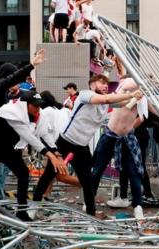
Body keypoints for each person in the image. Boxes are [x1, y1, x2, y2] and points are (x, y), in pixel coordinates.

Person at [0, 49, 65, 234]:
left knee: (23, 173)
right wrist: (32, 65)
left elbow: (41, 134)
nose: (15, 85)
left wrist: (54, 151)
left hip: (6, 145)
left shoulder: (14, 101)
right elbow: (29, 136)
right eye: (14, 81)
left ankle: (21, 211)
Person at [33, 74, 142, 217]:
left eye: (106, 84)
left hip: (82, 147)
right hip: (65, 142)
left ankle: (91, 215)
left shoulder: (105, 103)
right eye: (101, 82)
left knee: (88, 182)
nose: (105, 85)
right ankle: (33, 207)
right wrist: (132, 94)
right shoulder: (86, 95)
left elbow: (121, 103)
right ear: (91, 85)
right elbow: (108, 98)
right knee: (49, 175)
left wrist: (135, 97)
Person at [88, 77, 146, 218]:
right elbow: (118, 99)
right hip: (110, 135)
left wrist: (129, 128)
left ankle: (138, 206)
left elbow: (143, 116)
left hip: (127, 138)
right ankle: (89, 200)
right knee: (98, 169)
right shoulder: (119, 92)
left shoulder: (140, 95)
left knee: (133, 172)